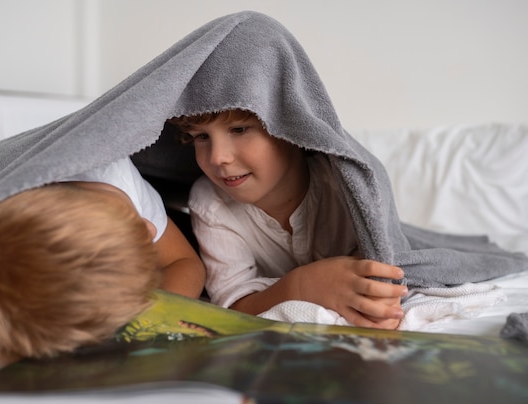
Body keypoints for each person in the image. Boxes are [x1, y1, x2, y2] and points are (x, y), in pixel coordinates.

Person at [0, 157, 205, 365]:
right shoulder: (9, 248)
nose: (150, 229)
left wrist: (150, 317)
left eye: (134, 225)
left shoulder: (114, 171)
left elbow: (185, 262)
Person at [170, 109, 407, 330]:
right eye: (201, 136)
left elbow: (384, 269)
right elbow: (232, 306)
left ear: (290, 128)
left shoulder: (346, 186)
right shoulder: (211, 202)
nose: (218, 157)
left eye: (239, 130)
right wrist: (302, 286)